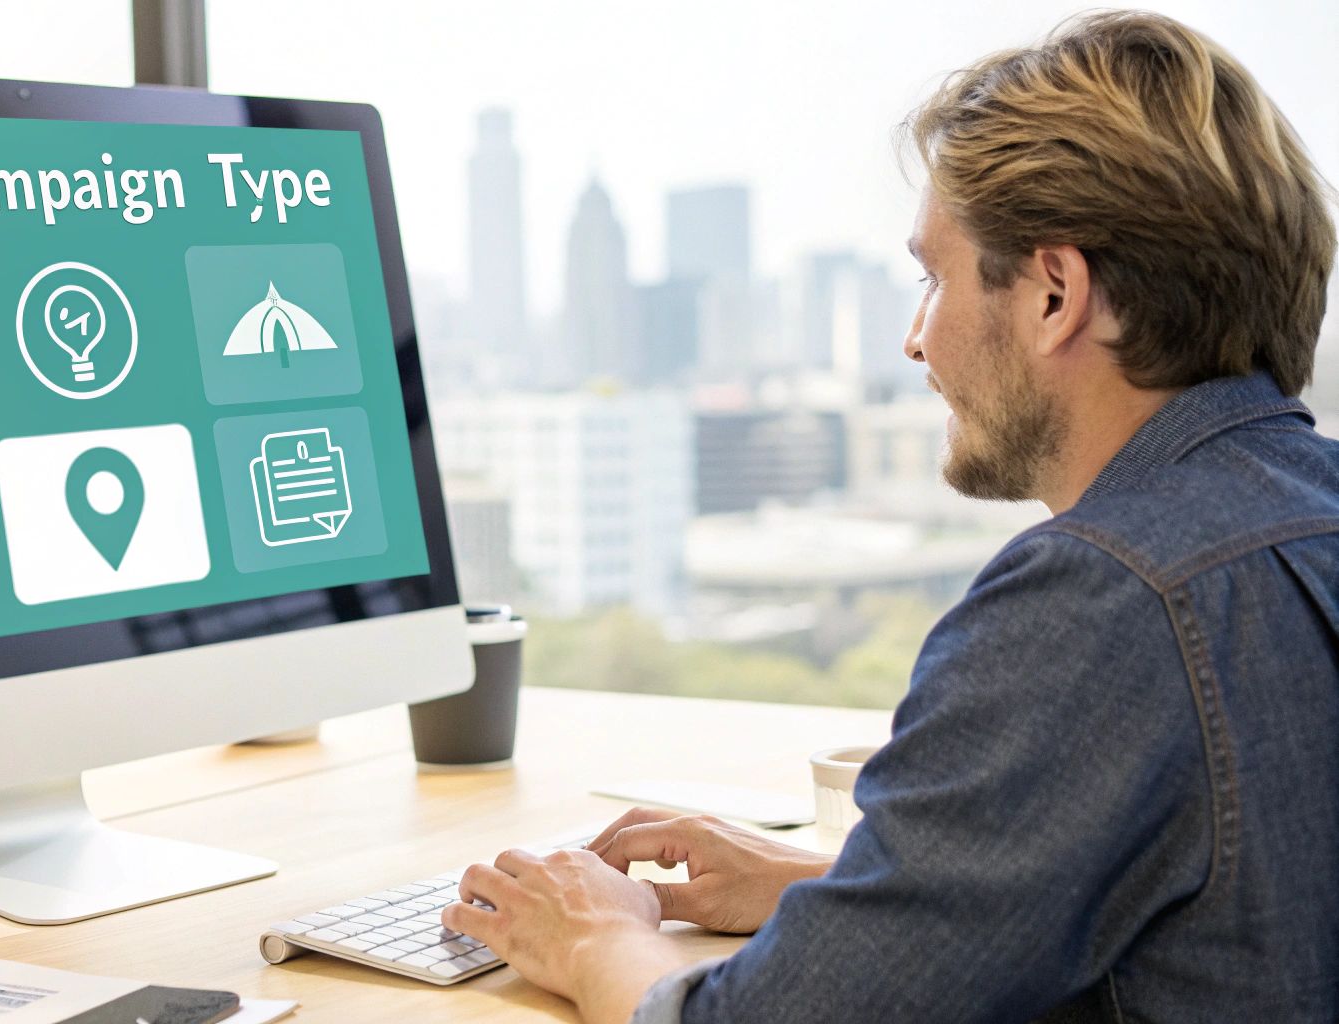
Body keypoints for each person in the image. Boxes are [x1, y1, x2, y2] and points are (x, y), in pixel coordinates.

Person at [442, 11, 1338, 1022]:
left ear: (1053, 294)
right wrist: (832, 890)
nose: (914, 340)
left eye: (932, 278)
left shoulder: (1097, 602)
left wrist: (598, 936)